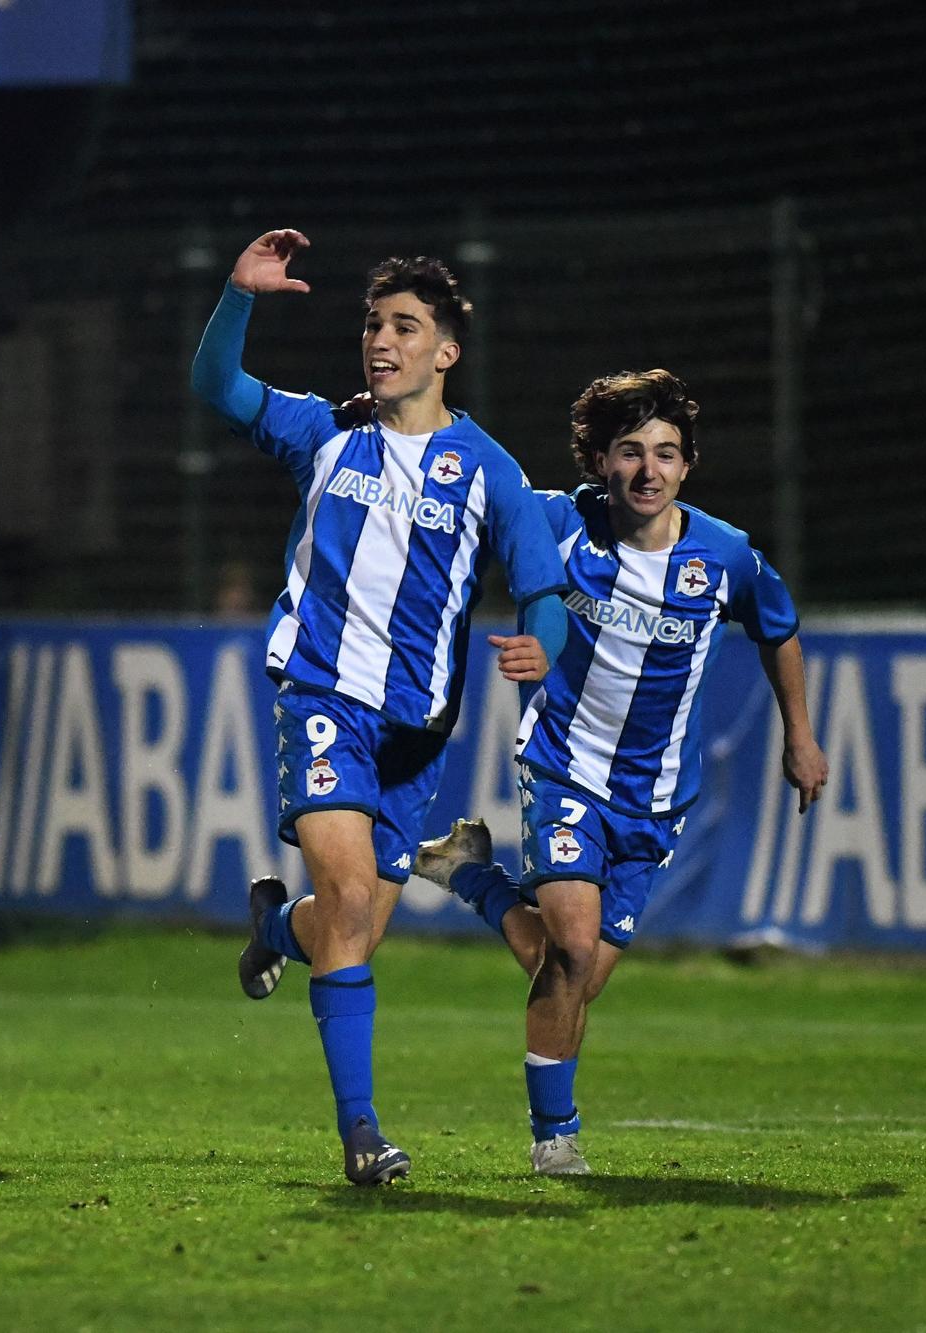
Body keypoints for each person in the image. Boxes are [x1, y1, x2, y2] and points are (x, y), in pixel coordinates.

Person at [191, 229, 569, 1185]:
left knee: (346, 929)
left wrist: (543, 645)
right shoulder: (325, 432)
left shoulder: (489, 470)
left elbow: (542, 588)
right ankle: (361, 1135)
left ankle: (276, 927)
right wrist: (239, 295)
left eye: (404, 325)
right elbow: (217, 387)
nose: (380, 340)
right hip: (322, 697)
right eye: (372, 324)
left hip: (415, 737)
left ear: (446, 350)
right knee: (354, 901)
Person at [411, 368, 828, 1175]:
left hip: (657, 798)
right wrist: (409, 417)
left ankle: (475, 879)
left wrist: (800, 737)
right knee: (568, 947)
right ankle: (554, 1136)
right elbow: (472, 493)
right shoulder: (559, 524)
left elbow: (779, 630)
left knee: (575, 974)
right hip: (564, 766)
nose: (649, 470)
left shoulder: (725, 555)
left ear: (687, 465)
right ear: (600, 459)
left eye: (666, 454)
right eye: (630, 451)